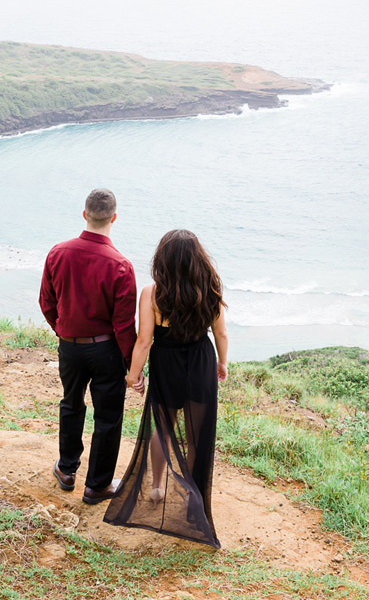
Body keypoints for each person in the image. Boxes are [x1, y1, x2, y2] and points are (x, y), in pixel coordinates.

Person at [103, 229, 229, 548]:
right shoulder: (210, 288)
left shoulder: (152, 293)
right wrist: (222, 363)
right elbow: (221, 334)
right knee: (198, 432)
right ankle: (192, 496)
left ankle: (158, 485)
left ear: (162, 259)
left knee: (163, 426)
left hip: (166, 363)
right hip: (200, 360)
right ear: (198, 259)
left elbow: (144, 340)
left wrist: (134, 376)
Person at [39, 188, 138, 504]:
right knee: (108, 417)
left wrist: (63, 329)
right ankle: (97, 486)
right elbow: (124, 325)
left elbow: (46, 301)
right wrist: (131, 365)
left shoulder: (58, 253)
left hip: (70, 346)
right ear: (114, 218)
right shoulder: (121, 265)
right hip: (106, 349)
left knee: (71, 403)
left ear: (85, 214)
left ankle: (67, 470)